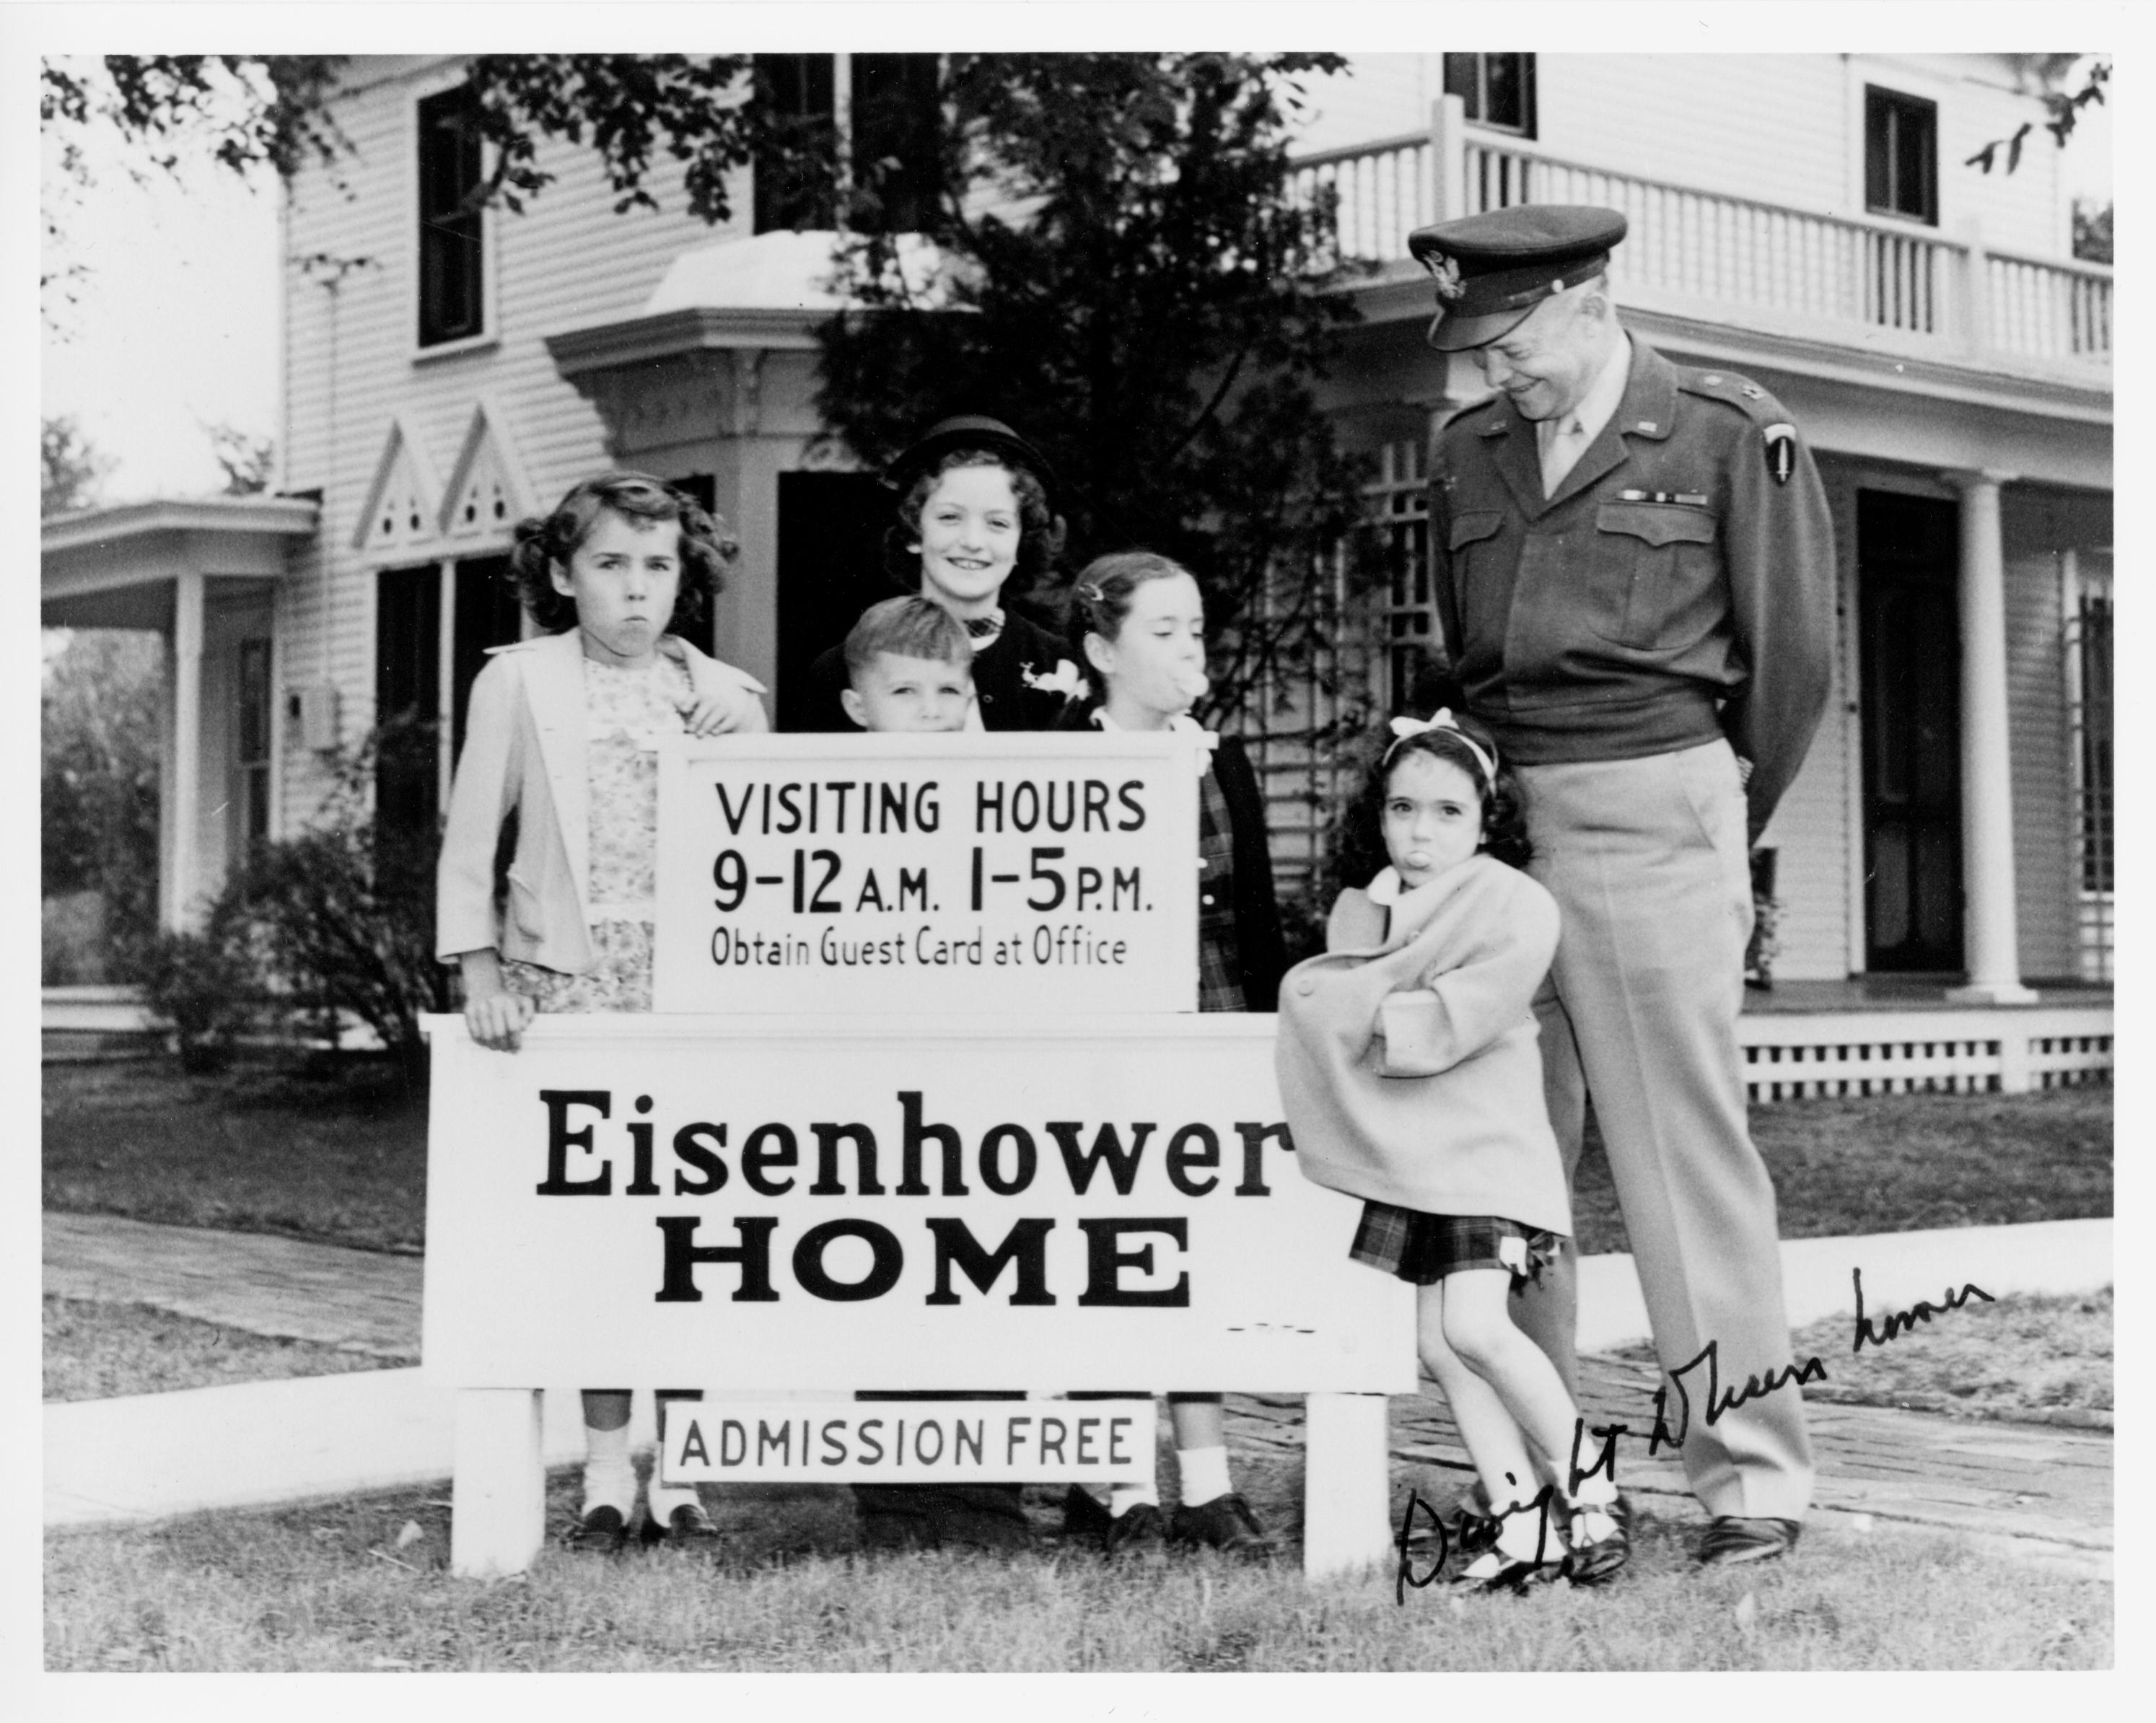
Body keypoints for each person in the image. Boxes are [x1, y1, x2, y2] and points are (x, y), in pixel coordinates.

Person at [1407, 203, 1836, 1568]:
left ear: (1589, 301)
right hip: (1502, 830)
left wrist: (1705, 818)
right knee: (1499, 1167)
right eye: (1473, 347)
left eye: (1512, 339)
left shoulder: (1722, 429)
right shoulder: (1464, 451)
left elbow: (1791, 669)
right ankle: (1547, 1482)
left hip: (1656, 809)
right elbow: (1460, 648)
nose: (1493, 373)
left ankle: (1750, 1478)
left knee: (1677, 1158)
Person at [435, 470, 769, 1554]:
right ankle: (605, 1473)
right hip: (568, 984)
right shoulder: (520, 682)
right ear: (563, 574)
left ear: (689, 577)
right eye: (611, 565)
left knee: (693, 1234)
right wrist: (479, 969)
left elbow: (772, 850)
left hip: (691, 993)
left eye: (658, 566)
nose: (636, 590)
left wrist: (743, 728)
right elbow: (472, 835)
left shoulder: (722, 689)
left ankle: (684, 1474)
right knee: (595, 1236)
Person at [1273, 714, 1626, 1588]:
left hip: (1485, 1152)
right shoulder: (1371, 904)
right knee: (1437, 1347)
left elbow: (1442, 1022)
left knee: (1475, 1325)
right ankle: (1520, 1524)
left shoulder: (1513, 902)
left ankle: (1592, 1490)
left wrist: (1345, 1011)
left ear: (1484, 820)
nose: (1421, 832)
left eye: (1446, 812)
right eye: (1403, 808)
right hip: (1417, 1158)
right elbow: (1354, 994)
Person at [1059, 551, 1288, 1560]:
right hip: (1099, 1036)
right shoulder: (1058, 758)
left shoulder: (1218, 756)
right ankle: (1112, 1480)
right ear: (1103, 650)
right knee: (1108, 1248)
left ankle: (1206, 1481)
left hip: (1211, 1019)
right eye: (1163, 631)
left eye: (1196, 628)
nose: (1189, 647)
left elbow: (1255, 915)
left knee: (1195, 1254)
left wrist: (1272, 1036)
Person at [797, 416, 1077, 734]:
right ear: (914, 532)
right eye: (950, 517)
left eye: (997, 523)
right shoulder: (843, 669)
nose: (973, 542)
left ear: (1021, 542)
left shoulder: (1061, 664)